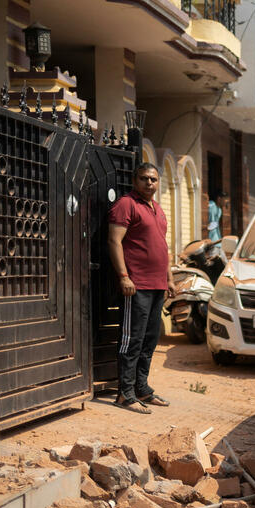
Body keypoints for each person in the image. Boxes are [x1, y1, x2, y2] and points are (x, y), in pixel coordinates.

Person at [108, 163, 177, 414]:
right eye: (144, 179)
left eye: (154, 179)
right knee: (132, 339)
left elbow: (162, 246)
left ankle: (141, 389)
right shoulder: (127, 204)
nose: (149, 183)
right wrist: (124, 276)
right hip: (136, 285)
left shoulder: (157, 209)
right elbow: (114, 241)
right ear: (135, 180)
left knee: (150, 339)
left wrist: (168, 278)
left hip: (158, 284)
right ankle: (124, 393)